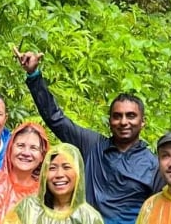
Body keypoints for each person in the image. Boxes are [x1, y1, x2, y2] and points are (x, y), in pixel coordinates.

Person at [18, 50, 162, 224]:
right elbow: (56, 119)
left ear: (142, 122)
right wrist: (34, 76)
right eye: (117, 116)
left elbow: (159, 212)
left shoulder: (153, 165)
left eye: (131, 116)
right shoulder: (93, 145)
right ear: (110, 121)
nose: (124, 122)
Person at [17, 142, 107, 224]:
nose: (59, 174)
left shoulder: (90, 218)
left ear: (78, 172)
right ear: (44, 174)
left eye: (66, 167)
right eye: (52, 168)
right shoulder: (28, 208)